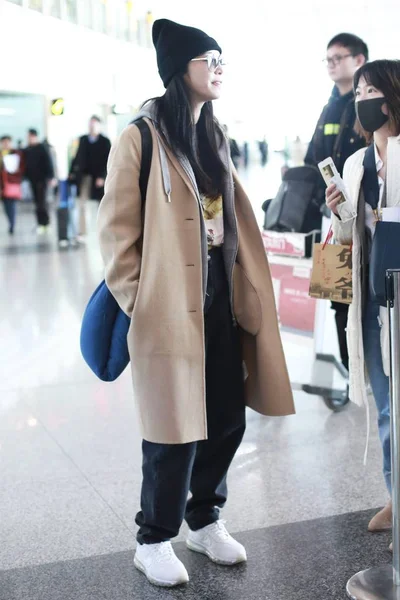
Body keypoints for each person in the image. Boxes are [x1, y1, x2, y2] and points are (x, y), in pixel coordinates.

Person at [97, 18, 295, 588]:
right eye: (209, 59)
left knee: (226, 415)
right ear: (179, 69)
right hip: (166, 302)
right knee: (172, 426)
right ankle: (153, 538)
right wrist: (140, 299)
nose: (218, 69)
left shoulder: (216, 132)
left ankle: (204, 518)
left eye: (220, 59)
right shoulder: (141, 135)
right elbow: (115, 232)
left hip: (219, 297)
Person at [326, 59, 400, 544]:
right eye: (358, 92)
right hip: (372, 301)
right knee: (385, 404)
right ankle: (397, 495)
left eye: (371, 89)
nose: (363, 99)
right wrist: (340, 212)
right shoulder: (354, 162)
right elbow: (345, 238)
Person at [305, 33, 369, 374]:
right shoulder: (328, 106)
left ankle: (373, 365)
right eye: (327, 58)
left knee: (370, 296)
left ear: (359, 60)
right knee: (338, 297)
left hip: (368, 218)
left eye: (338, 57)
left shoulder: (370, 108)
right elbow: (313, 156)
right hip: (332, 221)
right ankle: (351, 371)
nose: (331, 64)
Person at [69, 116, 111, 241]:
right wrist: (71, 172)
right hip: (85, 177)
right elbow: (76, 157)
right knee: (82, 204)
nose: (92, 127)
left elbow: (108, 160)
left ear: (99, 126)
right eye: (90, 124)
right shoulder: (83, 140)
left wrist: (102, 177)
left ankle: (105, 230)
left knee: (102, 205)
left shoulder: (105, 141)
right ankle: (82, 232)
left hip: (99, 178)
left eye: (94, 124)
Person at [24, 128, 55, 234]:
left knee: (42, 202)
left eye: (29, 136)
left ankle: (45, 223)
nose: (28, 139)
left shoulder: (42, 148)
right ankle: (40, 223)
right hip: (32, 180)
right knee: (37, 203)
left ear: (34, 136)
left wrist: (51, 177)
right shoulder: (27, 149)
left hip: (42, 180)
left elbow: (49, 163)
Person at [0, 135, 24, 234]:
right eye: (4, 142)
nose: (6, 144)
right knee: (6, 205)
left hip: (12, 182)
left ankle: (12, 224)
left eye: (7, 142)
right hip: (2, 184)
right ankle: (10, 222)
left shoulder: (16, 153)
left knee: (12, 204)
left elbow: (20, 167)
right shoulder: (1, 154)